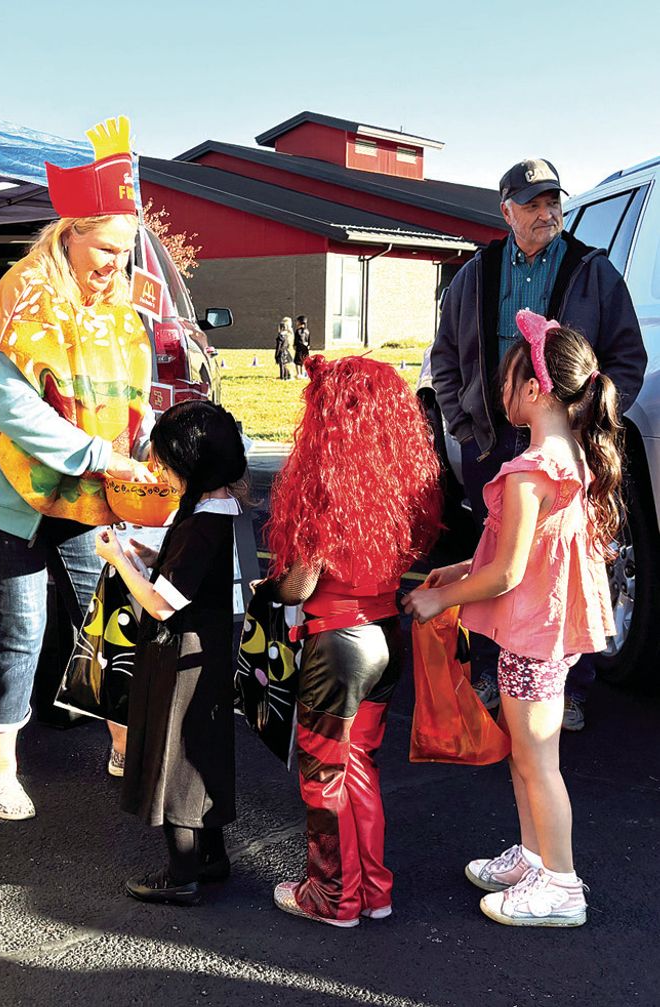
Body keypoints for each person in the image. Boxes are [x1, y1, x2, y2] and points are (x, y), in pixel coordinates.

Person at [0, 118, 154, 821]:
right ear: (69, 232)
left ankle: (125, 745)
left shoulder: (117, 301)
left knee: (107, 611)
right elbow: (18, 414)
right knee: (21, 624)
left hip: (86, 487)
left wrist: (140, 436)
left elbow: (128, 393)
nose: (117, 263)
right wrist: (105, 455)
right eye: (107, 248)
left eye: (127, 250)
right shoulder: (22, 296)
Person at [405, 310, 619, 927]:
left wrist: (439, 599)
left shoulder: (530, 471)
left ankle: (561, 883)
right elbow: (510, 556)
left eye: (506, 380)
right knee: (526, 754)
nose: (499, 393)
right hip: (540, 633)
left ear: (533, 388)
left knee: (536, 759)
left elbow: (508, 574)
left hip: (531, 637)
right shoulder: (565, 457)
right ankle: (534, 856)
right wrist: (457, 574)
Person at [430, 158, 645, 730]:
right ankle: (495, 673)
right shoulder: (476, 273)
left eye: (553, 201)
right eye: (533, 204)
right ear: (507, 211)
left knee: (566, 562)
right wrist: (465, 425)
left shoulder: (592, 271)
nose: (547, 213)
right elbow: (445, 358)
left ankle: (568, 685)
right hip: (492, 441)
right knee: (492, 556)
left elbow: (628, 358)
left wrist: (588, 422)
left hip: (561, 445)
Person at [267, 355, 443, 927]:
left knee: (324, 775)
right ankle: (373, 890)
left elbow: (301, 581)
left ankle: (332, 896)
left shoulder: (328, 485)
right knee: (360, 765)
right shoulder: (403, 481)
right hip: (384, 639)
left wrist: (273, 584)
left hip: (335, 645)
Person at [93, 400, 246, 906]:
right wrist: (148, 557)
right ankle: (212, 856)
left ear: (192, 465)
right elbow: (191, 578)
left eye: (166, 463)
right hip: (214, 653)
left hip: (183, 659)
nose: (160, 471)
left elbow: (161, 604)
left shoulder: (203, 524)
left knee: (175, 762)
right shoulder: (221, 512)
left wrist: (119, 558)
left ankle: (181, 872)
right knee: (205, 756)